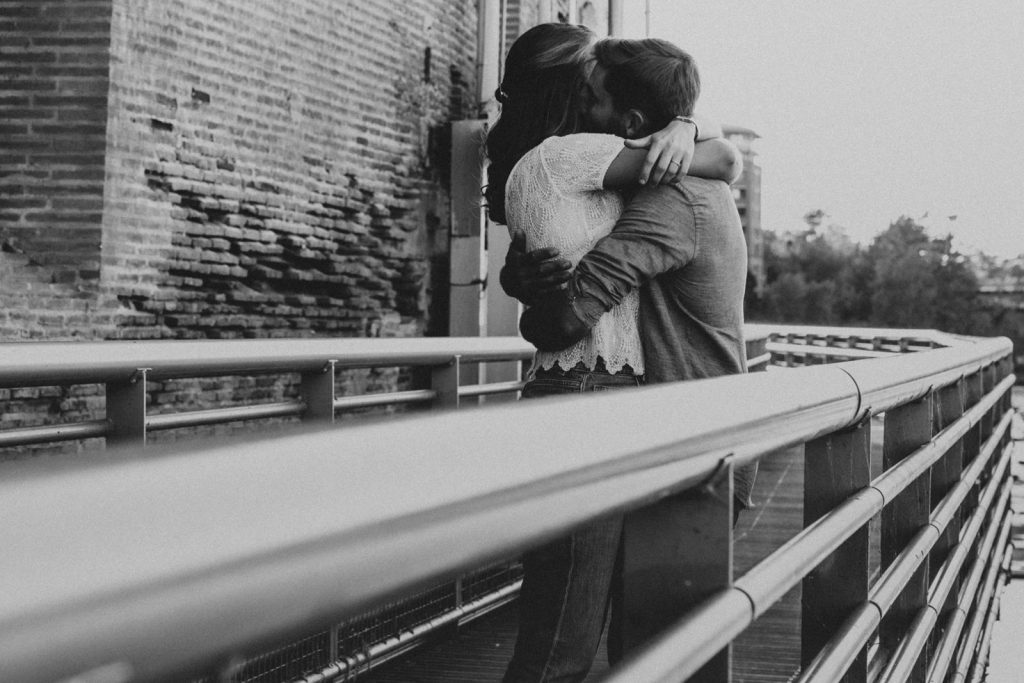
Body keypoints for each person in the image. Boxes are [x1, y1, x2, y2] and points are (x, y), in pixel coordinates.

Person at [485, 23, 744, 683]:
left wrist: (682, 122)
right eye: (594, 87)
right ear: (577, 94)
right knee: (562, 648)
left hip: (606, 397)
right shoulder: (572, 154)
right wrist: (684, 130)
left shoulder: (578, 159)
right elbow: (723, 161)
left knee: (585, 636)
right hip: (587, 392)